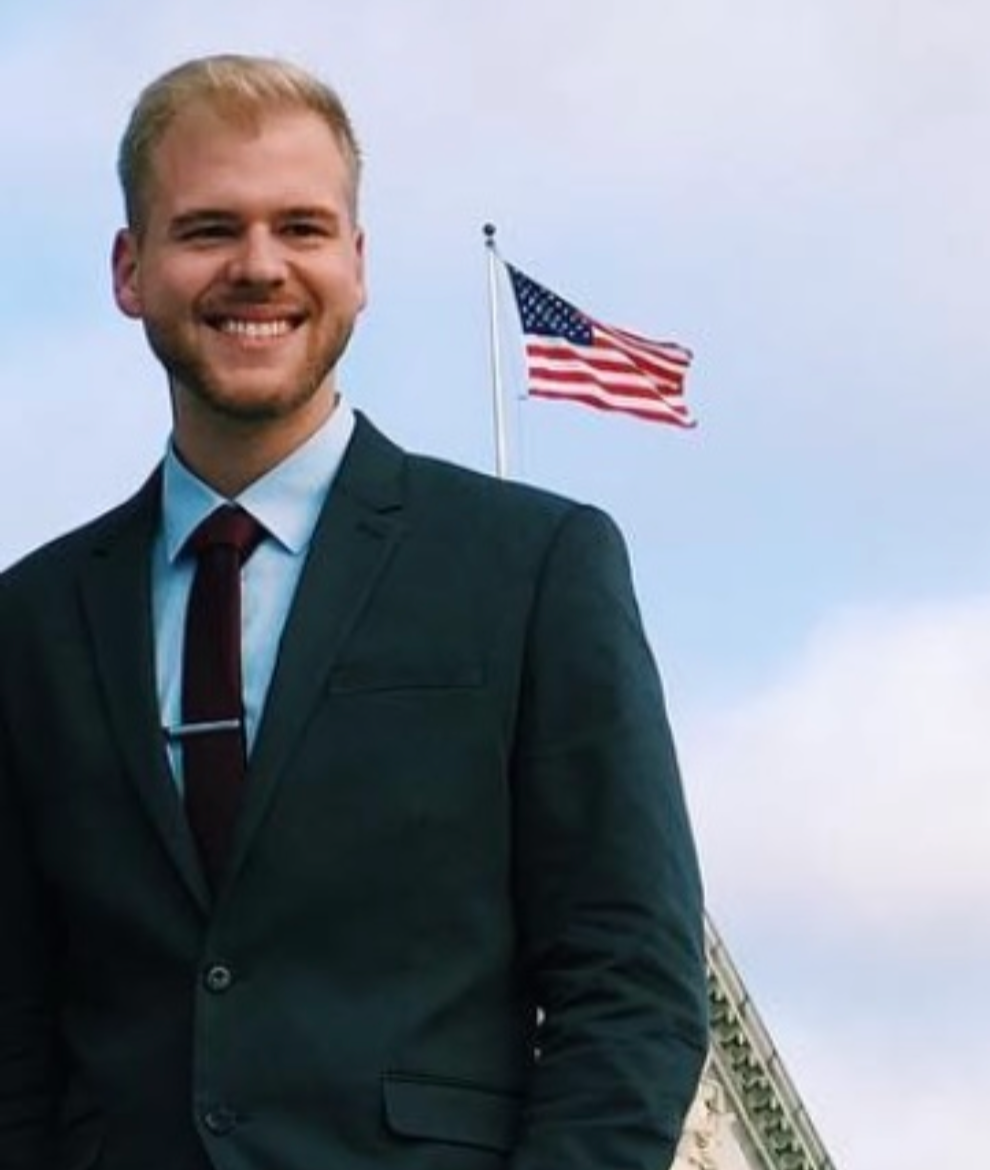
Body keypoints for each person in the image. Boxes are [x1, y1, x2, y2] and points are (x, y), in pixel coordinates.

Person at [0, 53, 708, 1170]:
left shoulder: (533, 570)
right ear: (130, 269)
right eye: (208, 229)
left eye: (302, 227)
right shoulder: (28, 624)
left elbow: (632, 991)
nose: (258, 267)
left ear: (359, 264)